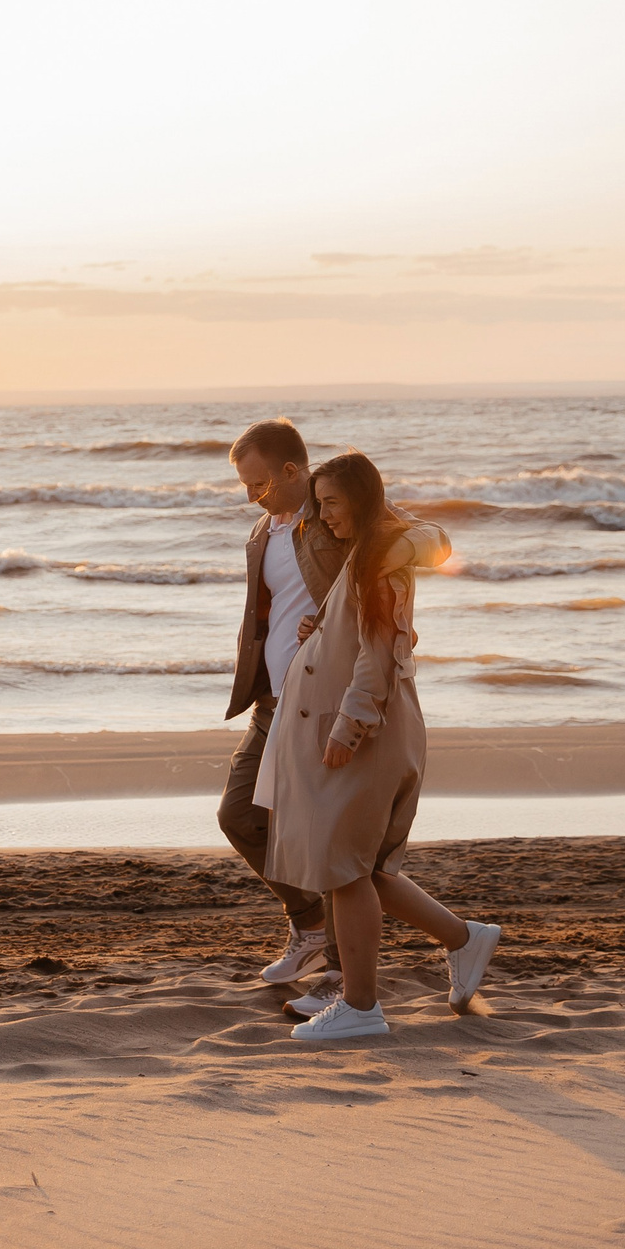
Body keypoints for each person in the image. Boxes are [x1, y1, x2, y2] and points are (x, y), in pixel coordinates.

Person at [260, 451, 500, 1042]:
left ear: (362, 501)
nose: (323, 516)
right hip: (360, 728)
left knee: (345, 869)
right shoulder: (368, 551)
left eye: (332, 504)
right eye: (318, 505)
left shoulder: (380, 554)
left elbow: (380, 655)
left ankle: (362, 1006)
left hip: (367, 733)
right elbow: (362, 632)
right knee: (364, 868)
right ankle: (465, 939)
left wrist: (348, 727)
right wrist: (323, 628)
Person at [221, 420, 450, 987]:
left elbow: (435, 541)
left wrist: (385, 569)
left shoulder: (336, 514)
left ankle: (348, 979)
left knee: (330, 840)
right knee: (242, 816)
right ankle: (312, 930)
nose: (251, 497)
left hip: (328, 701)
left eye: (260, 485)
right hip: (274, 700)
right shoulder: (261, 533)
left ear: (292, 471)